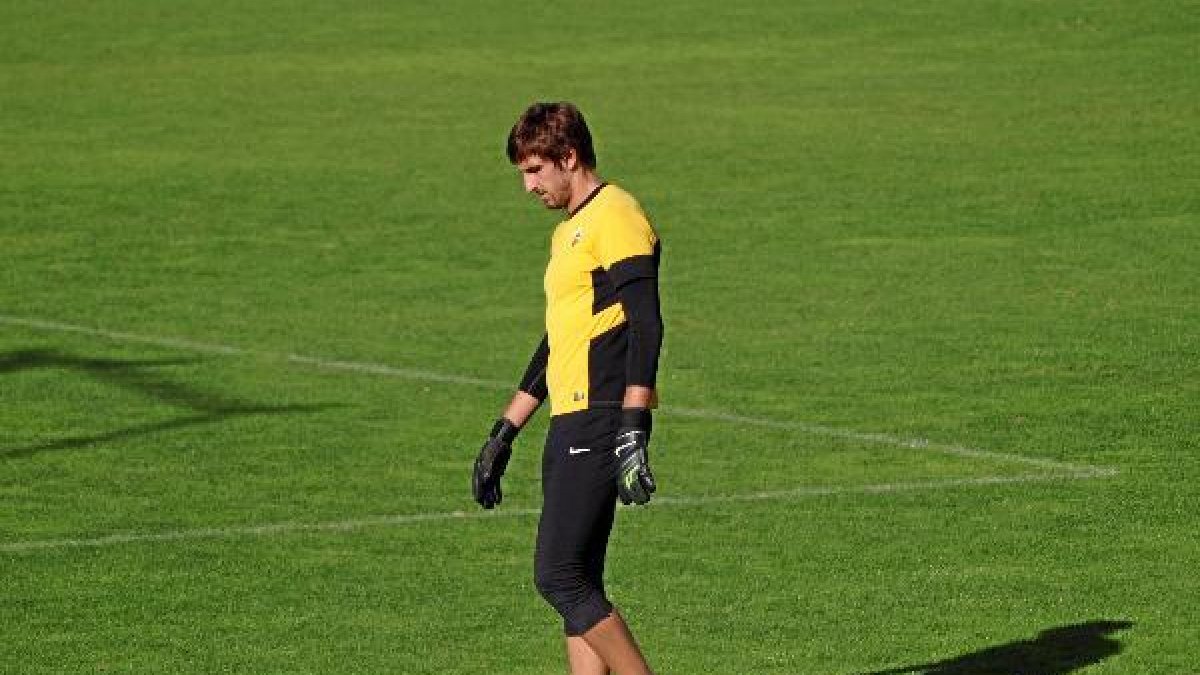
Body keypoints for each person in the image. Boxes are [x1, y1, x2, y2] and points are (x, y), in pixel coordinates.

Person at [472, 101, 664, 675]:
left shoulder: (617, 215)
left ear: (569, 156)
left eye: (535, 170)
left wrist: (634, 425)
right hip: (569, 419)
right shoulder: (568, 234)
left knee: (556, 575)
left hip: (601, 416)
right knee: (577, 581)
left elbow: (647, 322)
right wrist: (504, 431)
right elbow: (557, 341)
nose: (529, 186)